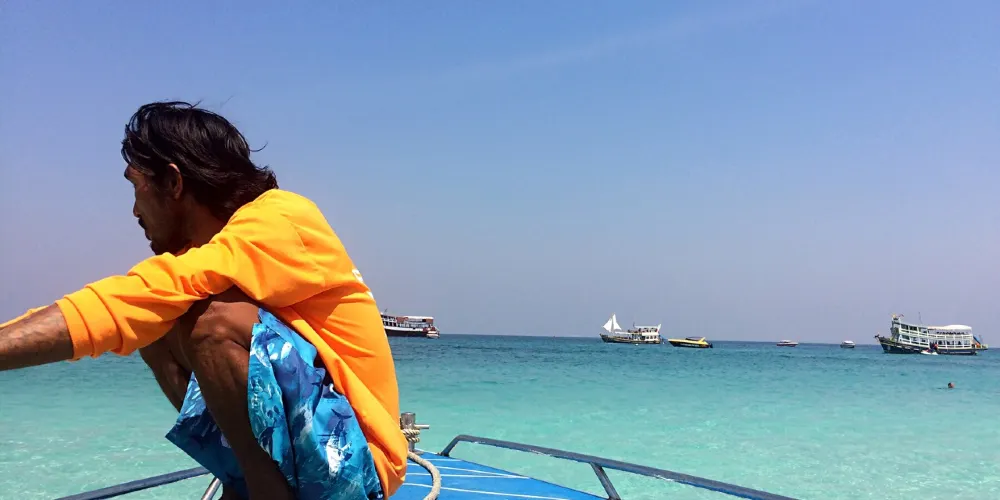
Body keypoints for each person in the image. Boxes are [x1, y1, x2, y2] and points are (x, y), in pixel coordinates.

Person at [0, 101, 408, 499]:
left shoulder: (282, 219)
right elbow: (132, 304)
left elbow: (134, 296)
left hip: (360, 464)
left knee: (213, 321)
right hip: (310, 452)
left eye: (136, 187)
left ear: (173, 182)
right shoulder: (214, 254)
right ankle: (243, 479)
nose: (135, 211)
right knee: (156, 325)